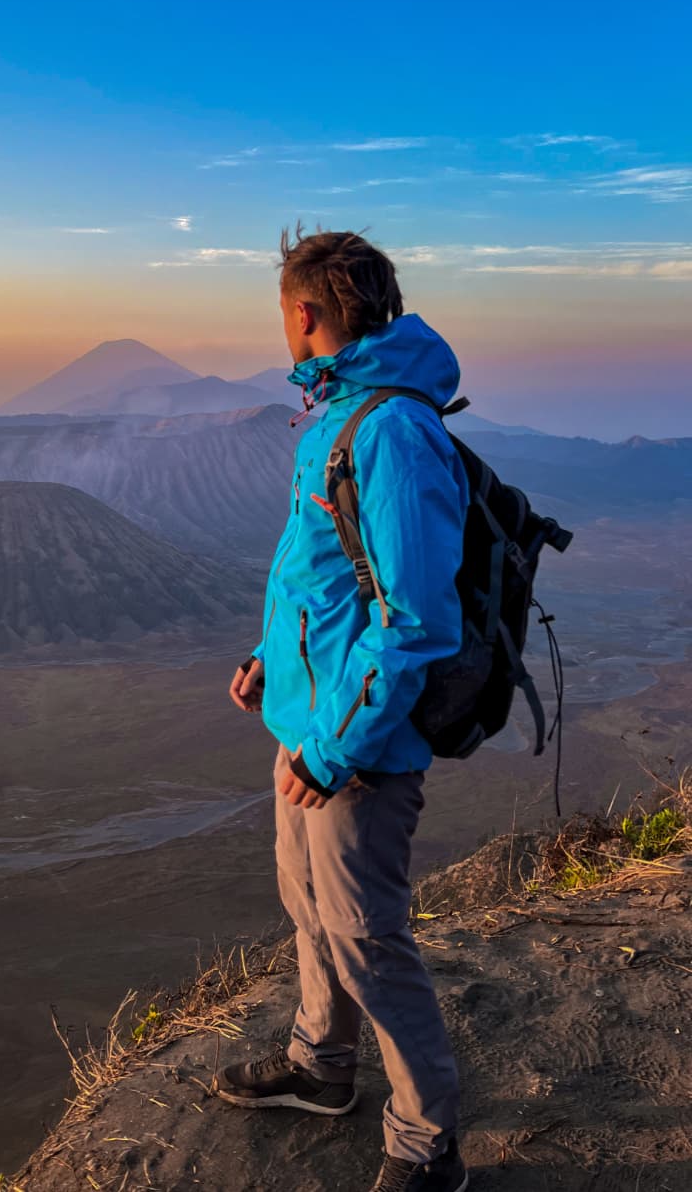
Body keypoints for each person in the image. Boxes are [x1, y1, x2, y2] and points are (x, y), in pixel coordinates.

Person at [216, 228, 470, 1192]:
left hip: (360, 748)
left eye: (283, 310)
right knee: (310, 909)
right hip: (311, 722)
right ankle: (322, 1068)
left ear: (307, 313)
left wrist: (331, 751)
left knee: (368, 935)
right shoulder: (335, 413)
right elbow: (321, 578)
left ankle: (426, 1142)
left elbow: (412, 621)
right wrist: (267, 665)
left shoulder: (392, 430)